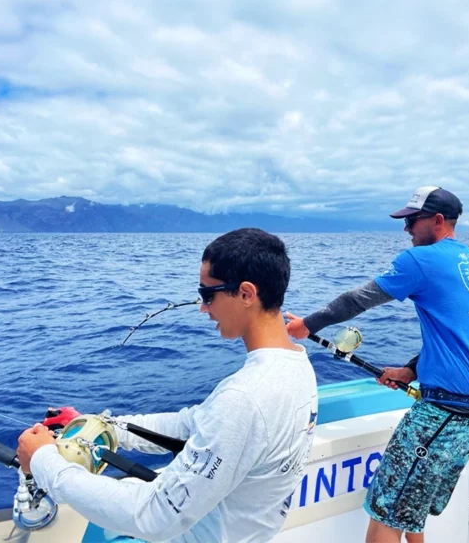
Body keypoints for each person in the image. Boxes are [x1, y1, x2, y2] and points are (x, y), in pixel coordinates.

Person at [18, 228, 319, 543]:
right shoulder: (297, 365)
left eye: (207, 294)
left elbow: (155, 517)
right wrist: (105, 427)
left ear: (245, 294)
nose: (203, 308)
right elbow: (193, 424)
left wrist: (43, 461)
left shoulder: (244, 397)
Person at [286, 186, 469, 543]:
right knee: (410, 511)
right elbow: (466, 336)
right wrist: (412, 370)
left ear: (437, 221)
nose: (406, 230)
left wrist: (307, 325)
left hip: (444, 414)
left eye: (412, 221)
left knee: (384, 517)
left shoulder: (420, 261)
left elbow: (358, 299)